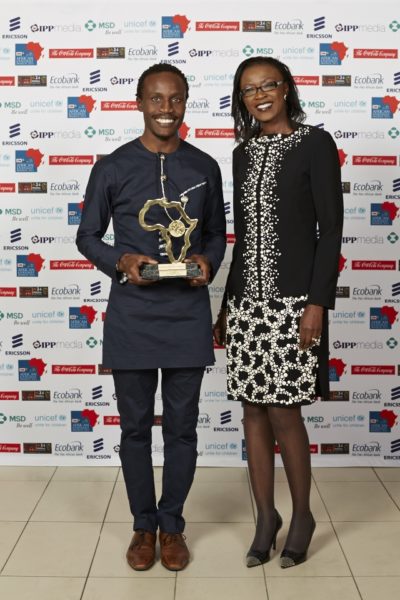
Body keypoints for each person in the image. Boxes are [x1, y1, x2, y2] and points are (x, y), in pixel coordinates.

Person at [76, 63, 226, 572]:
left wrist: (208, 260)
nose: (166, 108)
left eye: (175, 98)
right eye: (156, 99)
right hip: (132, 315)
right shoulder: (112, 166)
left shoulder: (206, 167)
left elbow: (215, 236)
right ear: (139, 103)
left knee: (182, 430)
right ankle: (144, 525)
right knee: (135, 430)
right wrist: (119, 261)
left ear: (186, 103)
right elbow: (88, 236)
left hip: (186, 314)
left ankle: (173, 526)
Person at [214, 57, 343, 569]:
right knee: (251, 410)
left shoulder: (316, 143)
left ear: (287, 88)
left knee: (285, 412)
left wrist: (318, 304)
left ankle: (303, 515)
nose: (261, 94)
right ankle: (266, 517)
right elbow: (243, 240)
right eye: (249, 89)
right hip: (247, 302)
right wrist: (226, 306)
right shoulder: (242, 153)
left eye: (269, 84)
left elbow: (328, 230)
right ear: (241, 99)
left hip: (294, 304)